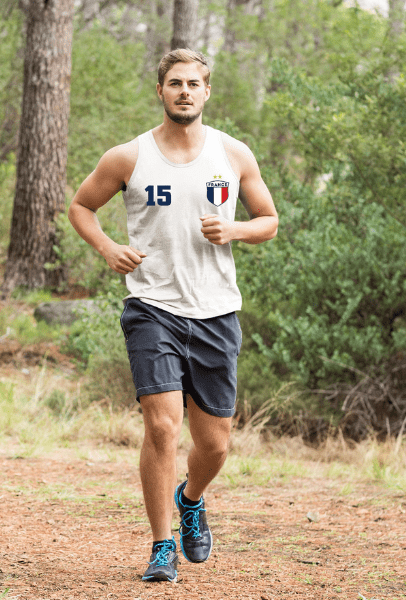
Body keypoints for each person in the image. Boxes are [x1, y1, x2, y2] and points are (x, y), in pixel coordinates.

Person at [68, 48, 278, 583]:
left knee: (215, 445)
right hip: (152, 307)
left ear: (207, 92)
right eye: (175, 83)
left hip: (215, 311)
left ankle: (191, 498)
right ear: (160, 91)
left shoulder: (233, 154)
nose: (185, 91)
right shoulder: (128, 157)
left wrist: (235, 230)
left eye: (194, 83)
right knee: (162, 428)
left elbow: (269, 220)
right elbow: (81, 206)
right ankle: (162, 546)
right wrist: (108, 247)